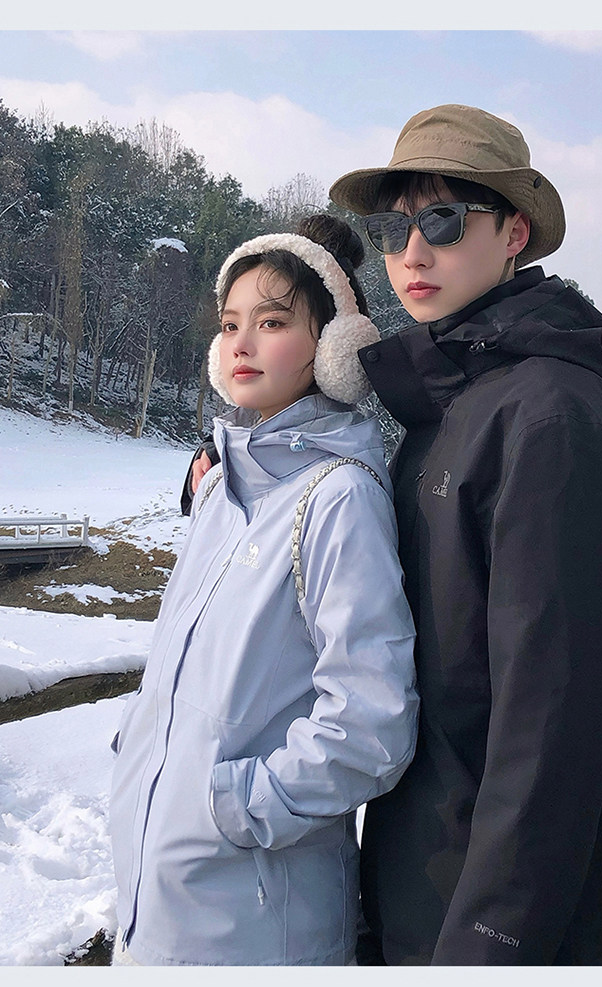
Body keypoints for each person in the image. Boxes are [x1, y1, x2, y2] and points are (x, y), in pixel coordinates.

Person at [184, 105, 602, 967]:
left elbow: (557, 720)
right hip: (424, 886)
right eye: (394, 228)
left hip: (498, 923)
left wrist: (489, 942)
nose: (412, 252)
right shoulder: (453, 404)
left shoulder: (549, 418)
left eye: (443, 220)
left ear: (515, 232)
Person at [109, 214, 419, 966]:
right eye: (230, 324)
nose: (241, 343)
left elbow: (371, 723)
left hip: (255, 927)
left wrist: (240, 807)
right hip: (153, 907)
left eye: (272, 322)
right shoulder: (220, 488)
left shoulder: (338, 498)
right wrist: (142, 753)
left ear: (334, 347)